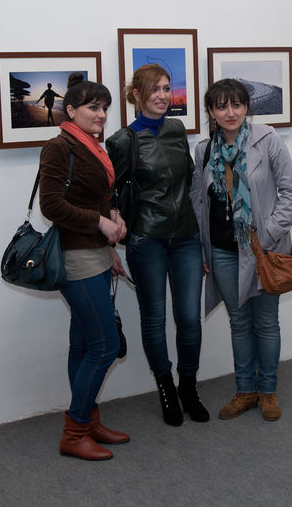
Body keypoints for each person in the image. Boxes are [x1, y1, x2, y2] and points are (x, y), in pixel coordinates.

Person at [190, 79, 292, 421]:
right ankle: (245, 391)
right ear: (210, 111)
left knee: (266, 322)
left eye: (236, 105)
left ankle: (268, 391)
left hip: (263, 250)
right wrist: (205, 250)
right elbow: (198, 200)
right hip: (223, 251)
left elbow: (291, 194)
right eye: (221, 106)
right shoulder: (204, 150)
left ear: (246, 108)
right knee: (239, 323)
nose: (230, 113)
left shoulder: (268, 140)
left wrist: (266, 235)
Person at [105, 64, 209, 426]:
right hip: (147, 239)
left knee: (190, 318)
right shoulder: (121, 141)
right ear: (136, 95)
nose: (164, 95)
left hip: (186, 237)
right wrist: (111, 240)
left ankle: (188, 386)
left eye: (167, 88)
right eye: (155, 89)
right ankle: (165, 387)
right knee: (155, 318)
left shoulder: (178, 129)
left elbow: (191, 183)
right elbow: (111, 197)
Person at [39, 72, 129, 460]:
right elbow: (51, 206)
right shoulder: (59, 147)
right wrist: (99, 223)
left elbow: (96, 196)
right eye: (94, 107)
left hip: (94, 252)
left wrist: (113, 216)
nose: (102, 114)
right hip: (74, 257)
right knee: (104, 346)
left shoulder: (93, 146)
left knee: (84, 343)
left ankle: (88, 419)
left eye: (105, 108)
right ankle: (74, 432)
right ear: (71, 110)